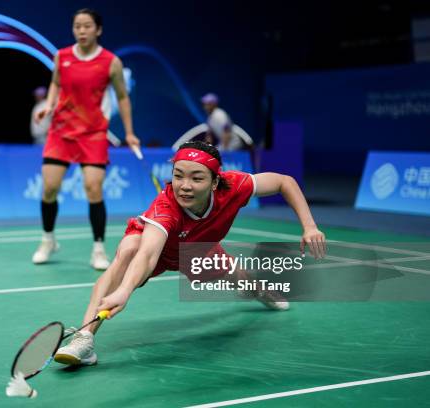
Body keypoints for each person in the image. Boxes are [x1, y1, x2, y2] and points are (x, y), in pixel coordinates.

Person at [53, 141, 326, 366]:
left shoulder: (235, 187)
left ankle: (262, 292)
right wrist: (126, 290)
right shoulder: (165, 208)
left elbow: (284, 182)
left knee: (238, 276)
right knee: (129, 250)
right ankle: (84, 339)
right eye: (178, 175)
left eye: (196, 178)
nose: (184, 185)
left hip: (198, 250)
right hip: (158, 249)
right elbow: (147, 255)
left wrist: (310, 226)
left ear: (215, 182)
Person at [32, 8, 140, 270]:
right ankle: (48, 240)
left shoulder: (110, 62)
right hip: (62, 132)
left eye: (87, 26)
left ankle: (98, 249)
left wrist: (129, 132)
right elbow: (56, 83)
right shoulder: (62, 56)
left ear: (98, 30)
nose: (81, 31)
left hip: (93, 133)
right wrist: (49, 104)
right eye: (77, 26)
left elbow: (123, 98)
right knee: (49, 189)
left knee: (93, 189)